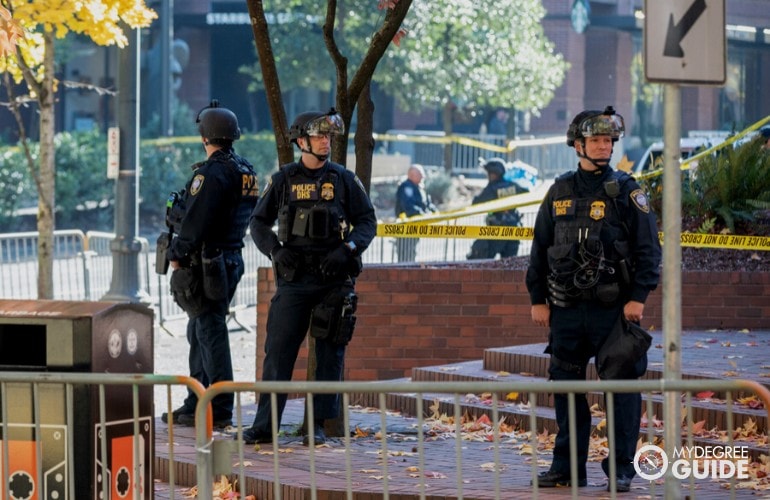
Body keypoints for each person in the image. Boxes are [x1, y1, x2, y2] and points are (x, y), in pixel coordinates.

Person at [525, 106, 661, 492]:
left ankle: (620, 469)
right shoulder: (559, 191)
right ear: (578, 145)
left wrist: (639, 297)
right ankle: (567, 467)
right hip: (566, 312)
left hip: (613, 312)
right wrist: (538, 298)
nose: (604, 147)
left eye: (608, 141)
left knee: (620, 392)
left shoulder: (627, 191)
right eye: (596, 140)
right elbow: (540, 248)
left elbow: (649, 249)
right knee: (566, 390)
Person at [240, 108, 377, 446]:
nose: (325, 142)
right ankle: (264, 426)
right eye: (319, 136)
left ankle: (316, 426)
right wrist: (275, 249)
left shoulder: (344, 180)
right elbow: (257, 223)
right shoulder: (284, 180)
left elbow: (368, 222)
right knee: (278, 353)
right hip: (295, 279)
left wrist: (347, 250)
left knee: (330, 357)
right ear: (301, 141)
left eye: (328, 136)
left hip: (334, 280)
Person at [161, 100, 259, 429]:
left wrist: (176, 252)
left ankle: (218, 407)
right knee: (199, 329)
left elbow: (196, 221)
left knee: (211, 331)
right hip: (228, 260)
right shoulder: (246, 170)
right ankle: (196, 401)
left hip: (207, 263)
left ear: (205, 136)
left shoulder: (210, 174)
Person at [467, 158, 527, 260]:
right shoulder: (512, 185)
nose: (488, 176)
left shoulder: (492, 188)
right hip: (514, 230)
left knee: (479, 258)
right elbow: (526, 192)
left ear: (494, 173)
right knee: (510, 266)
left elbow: (476, 202)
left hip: (497, 231)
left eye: (489, 173)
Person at [394, 164, 436, 262]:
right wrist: (423, 214)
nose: (423, 177)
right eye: (421, 174)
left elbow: (427, 204)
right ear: (412, 175)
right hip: (405, 228)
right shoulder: (406, 187)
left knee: (411, 254)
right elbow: (409, 207)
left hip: (415, 228)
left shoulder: (419, 188)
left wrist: (435, 213)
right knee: (405, 256)